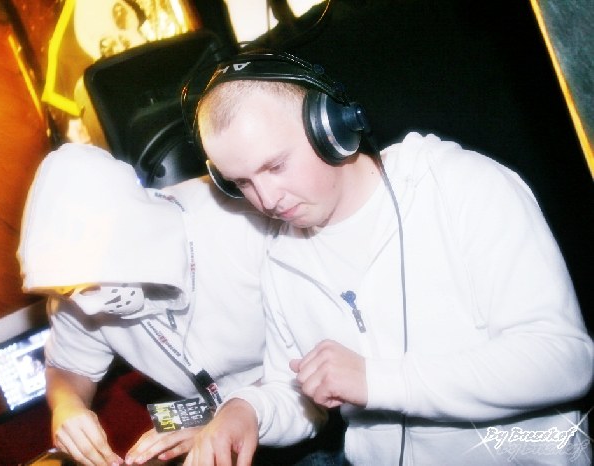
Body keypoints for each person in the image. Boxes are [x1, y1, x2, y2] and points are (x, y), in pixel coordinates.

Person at [183, 51, 594, 465]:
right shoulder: (280, 258)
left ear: (330, 128)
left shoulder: (461, 187)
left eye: (276, 166)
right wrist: (247, 411)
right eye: (242, 183)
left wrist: (376, 381)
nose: (267, 199)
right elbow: (296, 392)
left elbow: (563, 361)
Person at [17, 142, 273, 465]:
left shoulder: (241, 219)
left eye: (92, 287)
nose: (89, 308)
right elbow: (67, 368)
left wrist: (229, 418)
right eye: (70, 292)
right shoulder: (73, 290)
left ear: (131, 239)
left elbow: (313, 356)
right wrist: (67, 406)